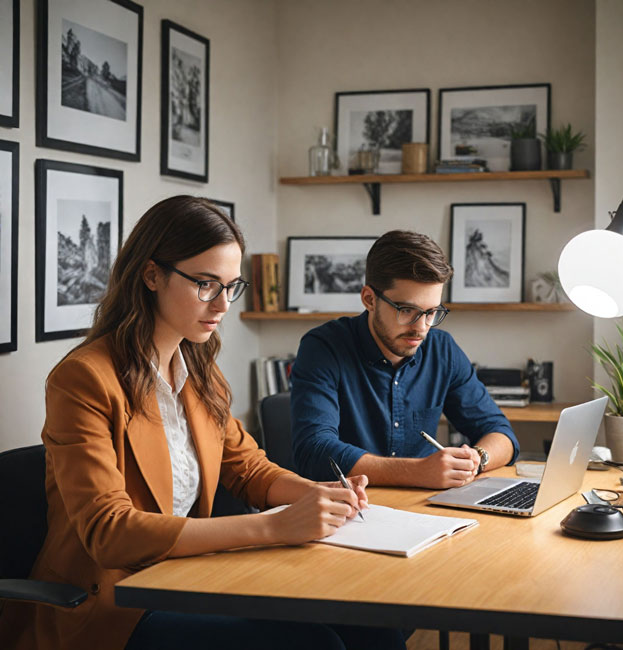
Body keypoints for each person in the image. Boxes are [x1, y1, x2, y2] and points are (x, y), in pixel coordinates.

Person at [0, 196, 411, 650]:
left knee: (374, 624)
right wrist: (275, 527)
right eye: (204, 284)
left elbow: (248, 468)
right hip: (108, 606)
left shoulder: (198, 370)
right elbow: (109, 531)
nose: (222, 305)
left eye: (231, 286)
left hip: (189, 576)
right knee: (312, 644)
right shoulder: (83, 379)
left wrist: (318, 494)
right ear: (151, 274)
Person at [291, 229, 520, 487]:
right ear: (369, 299)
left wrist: (476, 460)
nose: (421, 327)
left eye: (431, 312)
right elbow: (314, 451)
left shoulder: (442, 350)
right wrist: (417, 472)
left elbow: (501, 434)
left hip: (425, 508)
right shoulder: (323, 348)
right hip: (352, 510)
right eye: (407, 310)